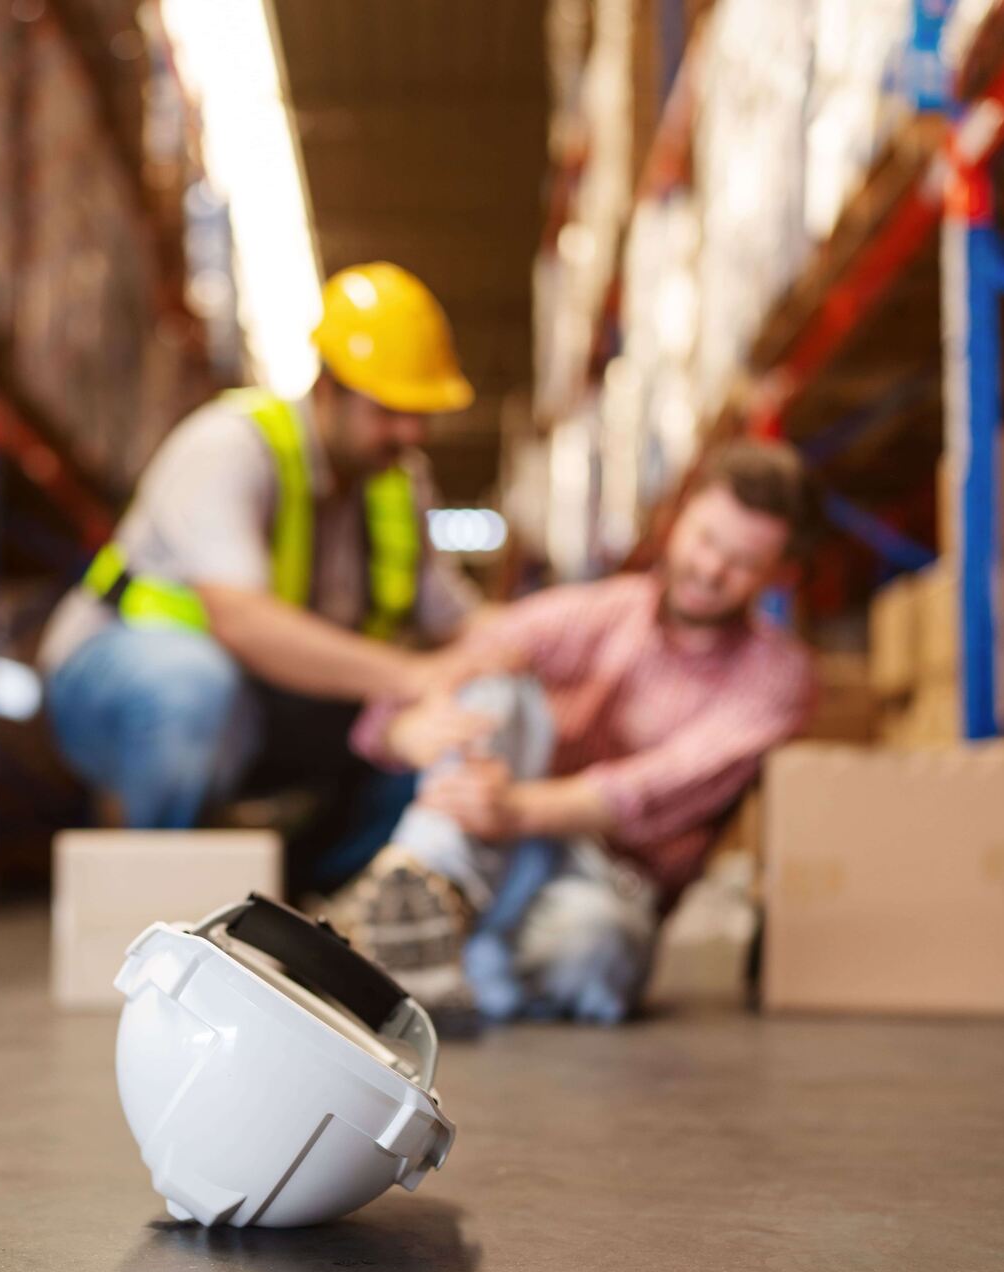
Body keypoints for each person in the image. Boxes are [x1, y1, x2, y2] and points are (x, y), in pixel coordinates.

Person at [40, 262, 495, 890]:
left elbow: (457, 621)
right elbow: (243, 623)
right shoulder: (230, 446)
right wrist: (411, 676)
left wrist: (551, 642)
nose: (409, 433)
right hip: (117, 683)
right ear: (329, 389)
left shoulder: (399, 483)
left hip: (265, 702)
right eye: (389, 410)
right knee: (195, 686)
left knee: (438, 738)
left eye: (420, 412)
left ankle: (292, 889)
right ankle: (158, 895)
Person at [329, 438, 818, 1022]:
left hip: (606, 879)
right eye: (707, 539)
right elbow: (459, 659)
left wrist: (517, 808)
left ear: (777, 575)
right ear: (678, 515)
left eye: (744, 563)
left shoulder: (776, 677)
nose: (712, 570)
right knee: (494, 681)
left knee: (593, 948)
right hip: (493, 849)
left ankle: (423, 946)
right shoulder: (602, 611)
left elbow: (658, 788)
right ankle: (432, 878)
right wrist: (403, 729)